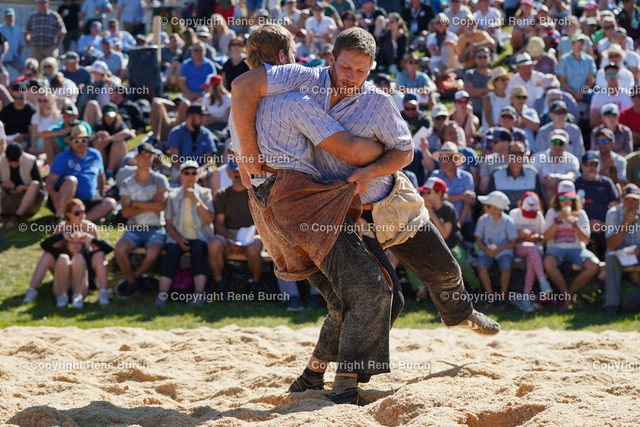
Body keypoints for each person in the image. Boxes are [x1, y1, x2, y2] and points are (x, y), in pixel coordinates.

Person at [232, 25, 499, 401]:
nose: (351, 76)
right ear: (331, 60)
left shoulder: (378, 102)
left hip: (388, 203)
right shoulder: (302, 84)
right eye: (345, 67)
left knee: (445, 272)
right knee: (377, 297)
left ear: (371, 68)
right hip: (344, 212)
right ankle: (331, 376)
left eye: (360, 70)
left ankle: (462, 314)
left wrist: (370, 171)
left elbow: (405, 152)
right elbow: (244, 86)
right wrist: (249, 158)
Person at [30, 198, 112, 307]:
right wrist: (62, 236)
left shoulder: (90, 227)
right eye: (77, 213)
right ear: (68, 214)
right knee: (49, 255)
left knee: (97, 255)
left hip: (84, 272)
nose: (81, 215)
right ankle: (32, 290)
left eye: (83, 211)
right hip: (63, 269)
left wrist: (90, 239)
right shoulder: (62, 227)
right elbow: (46, 247)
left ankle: (103, 292)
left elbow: (107, 249)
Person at [156, 161, 214, 306]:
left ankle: (199, 294)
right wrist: (178, 239)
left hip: (199, 237)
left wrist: (196, 200)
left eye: (193, 173)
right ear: (181, 175)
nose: (190, 176)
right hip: (178, 237)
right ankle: (162, 294)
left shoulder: (205, 193)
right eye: (186, 173)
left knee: (198, 252)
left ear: (198, 175)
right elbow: (168, 223)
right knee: (171, 252)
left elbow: (209, 219)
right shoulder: (173, 194)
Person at [114, 143, 169, 298]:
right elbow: (125, 212)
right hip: (135, 228)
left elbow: (161, 206)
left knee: (153, 252)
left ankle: (133, 280)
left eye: (149, 157)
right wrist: (151, 204)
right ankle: (134, 281)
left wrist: (136, 203)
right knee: (119, 249)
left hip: (155, 227)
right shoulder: (127, 182)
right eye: (143, 156)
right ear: (136, 158)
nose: (146, 160)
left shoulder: (160, 179)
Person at [543, 180, 601, 310]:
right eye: (562, 197)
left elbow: (585, 240)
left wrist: (574, 224)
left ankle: (568, 295)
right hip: (556, 249)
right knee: (548, 262)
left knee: (594, 266)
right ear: (557, 198)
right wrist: (558, 221)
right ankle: (567, 297)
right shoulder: (552, 213)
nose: (566, 201)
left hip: (577, 249)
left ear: (574, 198)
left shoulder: (581, 214)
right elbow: (546, 238)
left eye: (569, 197)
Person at [208, 159, 264, 292]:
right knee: (213, 244)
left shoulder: (254, 193)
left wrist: (245, 241)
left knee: (255, 247)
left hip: (252, 234)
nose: (237, 174)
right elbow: (219, 223)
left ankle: (255, 284)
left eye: (239, 170)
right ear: (228, 172)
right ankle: (220, 283)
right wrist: (231, 239)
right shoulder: (221, 195)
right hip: (229, 234)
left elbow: (260, 223)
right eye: (234, 170)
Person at [420, 176, 481, 293]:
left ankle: (477, 288)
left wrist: (431, 213)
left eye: (427, 192)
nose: (424, 195)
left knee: (459, 261)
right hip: (435, 247)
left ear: (438, 193)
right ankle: (423, 292)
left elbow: (445, 235)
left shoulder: (447, 208)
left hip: (453, 245)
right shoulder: (425, 208)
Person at [46, 123, 116, 224]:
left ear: (88, 141)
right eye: (76, 140)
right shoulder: (62, 157)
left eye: (84, 140)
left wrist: (101, 195)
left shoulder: (95, 155)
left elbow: (101, 176)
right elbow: (51, 179)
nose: (80, 143)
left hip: (87, 201)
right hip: (65, 202)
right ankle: (59, 218)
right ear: (70, 142)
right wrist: (53, 194)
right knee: (71, 180)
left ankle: (78, 222)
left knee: (110, 203)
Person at [475, 190, 518, 307]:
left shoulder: (508, 222)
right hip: (487, 251)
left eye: (488, 206)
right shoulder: (483, 219)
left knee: (506, 268)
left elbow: (513, 243)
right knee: (482, 268)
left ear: (498, 209)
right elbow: (478, 241)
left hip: (504, 252)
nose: (485, 207)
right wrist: (485, 249)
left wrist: (499, 249)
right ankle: (491, 296)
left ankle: (503, 296)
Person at [575, 151, 620, 262]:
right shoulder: (576, 184)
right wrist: (588, 223)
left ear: (599, 165)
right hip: (582, 227)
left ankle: (608, 267)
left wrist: (604, 225)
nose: (592, 167)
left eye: (595, 164)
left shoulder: (606, 183)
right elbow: (572, 209)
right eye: (588, 164)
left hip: (605, 226)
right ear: (582, 166)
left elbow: (617, 208)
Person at [603, 184, 640, 316]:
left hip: (638, 252)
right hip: (620, 254)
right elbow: (611, 245)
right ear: (622, 200)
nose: (631, 204)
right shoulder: (613, 213)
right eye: (627, 200)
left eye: (634, 200)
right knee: (611, 256)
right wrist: (626, 223)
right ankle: (612, 305)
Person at [509, 191, 553, 296]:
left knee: (531, 261)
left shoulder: (539, 215)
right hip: (518, 248)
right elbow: (509, 235)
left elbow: (544, 237)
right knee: (532, 249)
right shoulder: (513, 214)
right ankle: (543, 281)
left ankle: (526, 296)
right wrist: (519, 234)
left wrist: (537, 238)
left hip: (535, 251)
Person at [430, 141, 476, 239]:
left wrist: (456, 227)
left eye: (446, 158)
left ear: (455, 160)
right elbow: (433, 200)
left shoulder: (467, 177)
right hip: (440, 222)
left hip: (463, 222)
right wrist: (460, 196)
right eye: (441, 159)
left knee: (471, 236)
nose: (443, 162)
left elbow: (468, 203)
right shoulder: (435, 176)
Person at [486, 140, 543, 210]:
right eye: (513, 153)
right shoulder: (496, 174)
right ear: (508, 155)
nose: (517, 157)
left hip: (527, 218)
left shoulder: (533, 173)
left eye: (520, 153)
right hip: (503, 218)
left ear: (525, 155)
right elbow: (488, 202)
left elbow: (540, 202)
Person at [0, 143, 45, 230]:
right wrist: (3, 184)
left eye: (16, 160)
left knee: (35, 184)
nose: (13, 163)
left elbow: (41, 186)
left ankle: (16, 218)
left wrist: (24, 187)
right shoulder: (1, 160)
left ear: (22, 155)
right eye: (10, 160)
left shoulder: (30, 160)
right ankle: (1, 217)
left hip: (28, 202)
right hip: (7, 201)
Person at [531, 128, 580, 207]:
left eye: (561, 143)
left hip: (565, 193)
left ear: (566, 145)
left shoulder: (572, 159)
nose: (557, 146)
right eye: (554, 142)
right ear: (549, 143)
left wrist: (556, 178)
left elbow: (572, 175)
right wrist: (548, 181)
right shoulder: (538, 157)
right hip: (542, 192)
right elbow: (535, 177)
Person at [166, 104, 217, 180]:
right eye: (200, 117)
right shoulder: (175, 133)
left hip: (200, 170)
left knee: (206, 180)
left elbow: (209, 159)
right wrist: (187, 173)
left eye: (203, 117)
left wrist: (201, 170)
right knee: (183, 180)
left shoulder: (207, 134)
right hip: (180, 169)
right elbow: (174, 159)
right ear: (190, 117)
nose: (203, 120)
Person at [590, 63, 633, 128]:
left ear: (618, 76)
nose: (612, 77)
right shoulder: (598, 96)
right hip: (604, 132)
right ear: (605, 77)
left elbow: (631, 118)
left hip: (623, 131)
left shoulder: (627, 95)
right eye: (608, 74)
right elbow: (593, 122)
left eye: (614, 74)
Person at [29, 90, 60, 158]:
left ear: (51, 101)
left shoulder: (59, 116)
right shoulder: (35, 116)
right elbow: (33, 136)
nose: (42, 103)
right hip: (39, 149)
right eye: (40, 100)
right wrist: (33, 147)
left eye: (45, 100)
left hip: (54, 148)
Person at [463, 47, 492, 119]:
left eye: (485, 57)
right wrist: (489, 90)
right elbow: (469, 91)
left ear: (490, 58)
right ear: (475, 59)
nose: (482, 59)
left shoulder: (494, 75)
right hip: (475, 112)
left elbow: (498, 93)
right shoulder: (470, 74)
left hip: (492, 112)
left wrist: (478, 92)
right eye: (479, 57)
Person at [0, 8, 25, 77]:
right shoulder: (1, 29)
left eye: (11, 16)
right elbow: (4, 43)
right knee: (4, 74)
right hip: (3, 57)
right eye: (8, 16)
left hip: (14, 55)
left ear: (14, 17)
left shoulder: (18, 30)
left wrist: (18, 54)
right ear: (4, 17)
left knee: (25, 70)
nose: (10, 18)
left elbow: (21, 44)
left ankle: (28, 84)